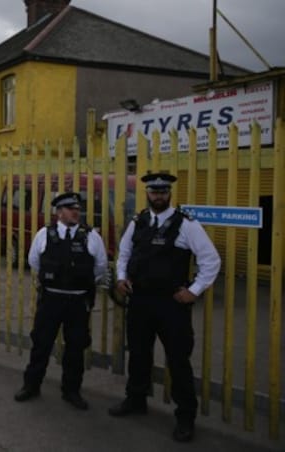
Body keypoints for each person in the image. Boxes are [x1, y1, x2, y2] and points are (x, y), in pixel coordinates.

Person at [109, 172, 220, 443]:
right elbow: (124, 253)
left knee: (178, 360)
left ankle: (185, 416)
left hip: (171, 304)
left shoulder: (186, 225)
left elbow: (211, 260)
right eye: (153, 191)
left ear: (169, 194)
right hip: (141, 300)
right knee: (138, 353)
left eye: (163, 191)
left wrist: (193, 291)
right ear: (147, 193)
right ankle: (136, 399)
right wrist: (122, 277)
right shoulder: (139, 222)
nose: (158, 195)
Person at [14, 192, 107, 410]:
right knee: (41, 344)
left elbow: (100, 267)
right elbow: (34, 261)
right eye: (69, 208)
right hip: (51, 300)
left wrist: (78, 283)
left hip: (77, 302)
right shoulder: (44, 234)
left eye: (77, 208)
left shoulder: (92, 237)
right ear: (59, 212)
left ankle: (71, 390)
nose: (76, 212)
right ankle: (31, 385)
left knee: (75, 347)